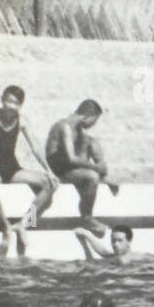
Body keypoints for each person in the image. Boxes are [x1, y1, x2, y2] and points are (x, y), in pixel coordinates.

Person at [0, 85, 58, 257]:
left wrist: (49, 170)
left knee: (48, 184)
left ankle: (24, 223)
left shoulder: (22, 119)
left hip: (12, 167)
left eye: (14, 103)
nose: (10, 105)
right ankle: (6, 227)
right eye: (7, 101)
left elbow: (35, 147)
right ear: (2, 99)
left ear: (20, 105)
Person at [46, 99, 119, 237]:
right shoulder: (65, 127)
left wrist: (100, 166)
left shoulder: (77, 130)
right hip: (60, 168)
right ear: (88, 116)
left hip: (69, 166)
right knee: (91, 176)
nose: (93, 125)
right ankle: (87, 217)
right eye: (94, 121)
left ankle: (105, 177)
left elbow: (78, 156)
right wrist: (96, 168)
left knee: (92, 141)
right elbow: (71, 158)